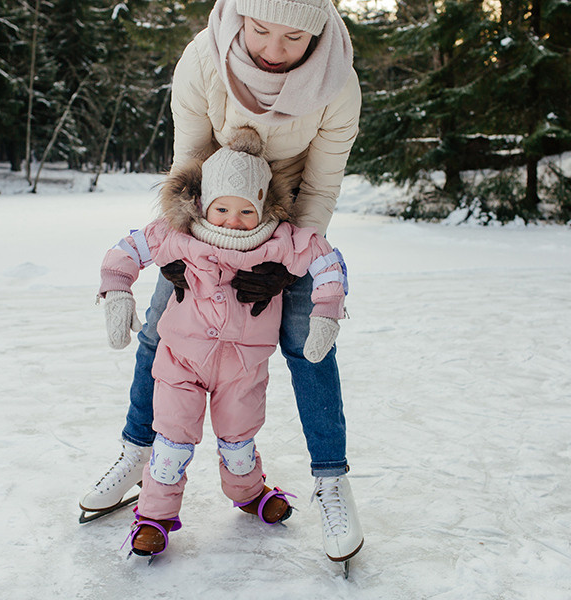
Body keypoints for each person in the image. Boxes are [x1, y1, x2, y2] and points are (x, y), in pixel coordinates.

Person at [80, 0, 364, 563]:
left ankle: (331, 481)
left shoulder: (338, 84)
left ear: (321, 30)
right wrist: (177, 241)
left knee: (308, 347)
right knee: (161, 330)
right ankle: (140, 452)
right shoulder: (203, 60)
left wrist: (286, 263)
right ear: (240, 17)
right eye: (260, 31)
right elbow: (189, 160)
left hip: (284, 227)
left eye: (293, 39)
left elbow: (321, 186)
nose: (273, 51)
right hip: (206, 219)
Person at [99, 128, 346, 556]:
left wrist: (325, 310)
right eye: (222, 208)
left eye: (246, 210)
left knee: (239, 441)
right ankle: (154, 516)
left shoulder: (278, 241)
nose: (233, 220)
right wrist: (118, 289)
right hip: (181, 363)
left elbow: (327, 259)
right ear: (203, 204)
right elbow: (126, 250)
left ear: (264, 206)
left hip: (243, 369)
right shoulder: (180, 235)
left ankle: (250, 493)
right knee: (173, 441)